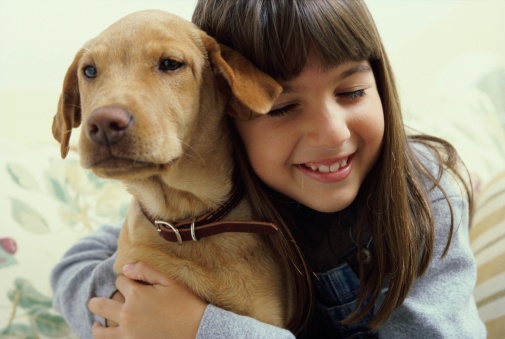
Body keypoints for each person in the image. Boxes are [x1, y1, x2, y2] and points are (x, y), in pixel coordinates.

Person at [50, 0, 486, 338]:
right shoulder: (202, 193)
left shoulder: (422, 193)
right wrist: (128, 309)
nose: (330, 134)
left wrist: (200, 329)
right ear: (229, 106)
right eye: (283, 107)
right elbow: (75, 265)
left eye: (352, 91)